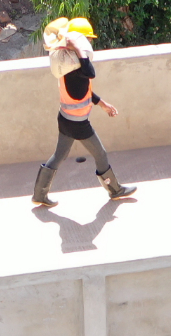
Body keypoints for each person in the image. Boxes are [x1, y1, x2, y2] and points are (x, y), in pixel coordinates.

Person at [33, 17, 135, 208]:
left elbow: (84, 91)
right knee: (101, 155)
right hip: (78, 124)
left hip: (65, 119)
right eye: (86, 41)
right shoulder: (77, 67)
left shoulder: (68, 67)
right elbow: (90, 72)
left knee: (59, 156)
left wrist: (102, 103)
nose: (88, 44)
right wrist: (79, 51)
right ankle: (115, 190)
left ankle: (39, 194)